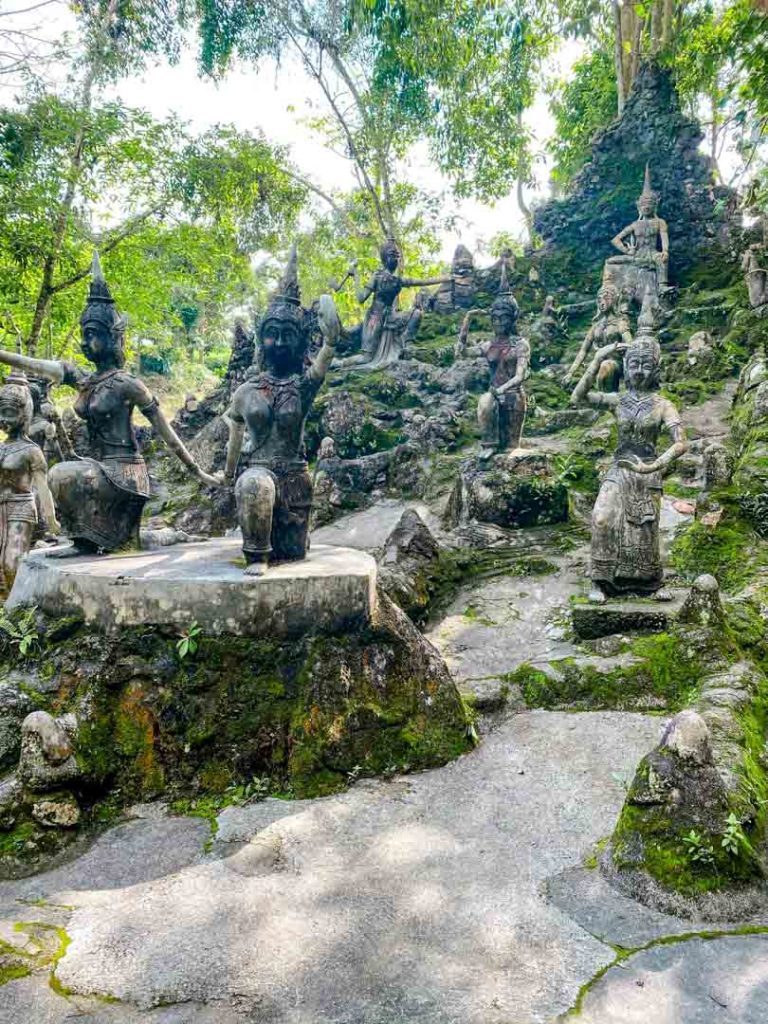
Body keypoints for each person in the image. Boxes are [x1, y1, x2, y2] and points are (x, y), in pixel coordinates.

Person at [0, 253, 218, 554]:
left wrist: (198, 472)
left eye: (92, 335)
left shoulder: (127, 384)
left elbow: (166, 432)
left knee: (62, 474)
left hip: (125, 472)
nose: (85, 343)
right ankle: (85, 541)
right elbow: (35, 365)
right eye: (83, 335)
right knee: (61, 474)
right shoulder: (84, 379)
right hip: (97, 468)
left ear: (112, 337)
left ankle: (132, 537)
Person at [219, 247, 340, 575]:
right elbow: (235, 438)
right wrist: (227, 476)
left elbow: (324, 359)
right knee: (253, 484)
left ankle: (282, 543)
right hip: (256, 476)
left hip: (294, 482)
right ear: (261, 339)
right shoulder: (245, 392)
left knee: (292, 554)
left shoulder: (302, 386)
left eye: (289, 335)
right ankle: (256, 556)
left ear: (300, 340)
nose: (280, 342)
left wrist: (330, 336)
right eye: (272, 334)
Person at [571, 293, 687, 602]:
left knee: (643, 532)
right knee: (601, 517)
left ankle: (648, 584)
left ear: (655, 369)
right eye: (633, 364)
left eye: (645, 365)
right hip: (619, 468)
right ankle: (600, 580)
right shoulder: (617, 400)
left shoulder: (663, 404)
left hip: (647, 471)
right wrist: (596, 360)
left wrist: (652, 466)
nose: (638, 370)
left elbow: (681, 443)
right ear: (625, 365)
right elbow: (578, 398)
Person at [334, 237, 452, 370]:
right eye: (392, 255)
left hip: (391, 316)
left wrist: (446, 278)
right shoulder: (377, 277)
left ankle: (408, 345)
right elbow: (361, 298)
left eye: (397, 256)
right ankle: (338, 363)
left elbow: (422, 281)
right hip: (374, 318)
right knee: (366, 358)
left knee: (416, 314)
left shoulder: (398, 280)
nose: (395, 259)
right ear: (384, 258)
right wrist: (356, 276)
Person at [0, 369, 58, 591]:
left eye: (9, 413)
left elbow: (43, 488)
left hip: (21, 508)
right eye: (0, 413)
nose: (4, 419)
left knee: (12, 562)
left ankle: (19, 613)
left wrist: (51, 520)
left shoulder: (31, 451)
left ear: (23, 414)